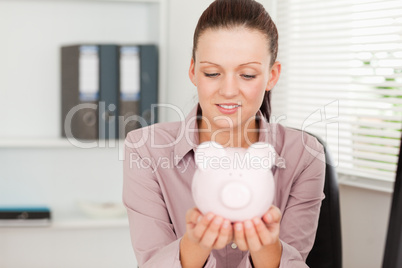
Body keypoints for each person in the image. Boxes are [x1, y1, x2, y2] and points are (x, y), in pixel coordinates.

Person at [123, 0, 325, 267]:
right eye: (213, 72)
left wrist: (267, 249)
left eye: (248, 75)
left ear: (272, 76)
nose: (228, 90)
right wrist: (194, 246)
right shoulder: (145, 148)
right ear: (194, 71)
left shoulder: (304, 154)